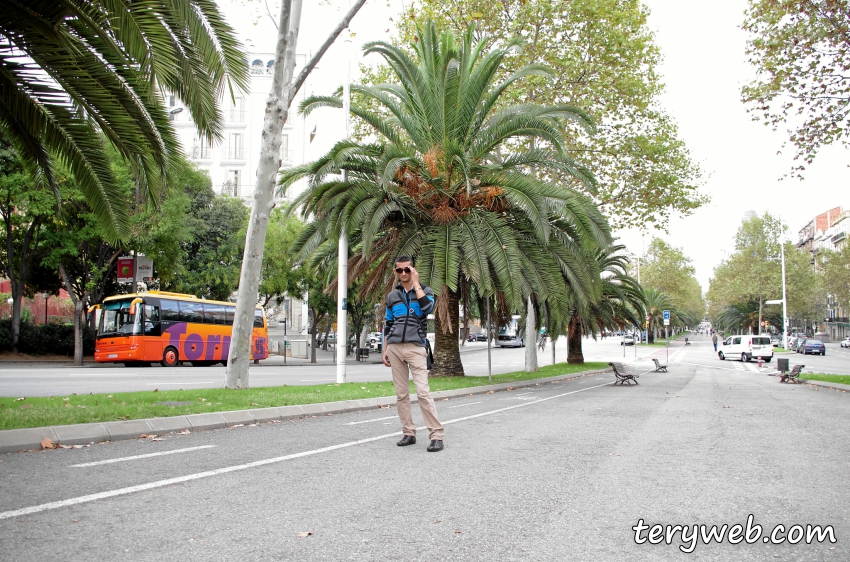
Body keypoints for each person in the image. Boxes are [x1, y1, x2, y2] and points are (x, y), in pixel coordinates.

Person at [382, 255, 445, 452]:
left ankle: (436, 435)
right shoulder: (392, 296)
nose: (403, 273)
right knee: (401, 395)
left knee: (422, 392)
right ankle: (408, 432)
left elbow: (427, 308)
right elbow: (388, 323)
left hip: (416, 347)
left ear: (413, 270)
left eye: (406, 270)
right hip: (394, 348)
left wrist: (416, 284)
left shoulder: (425, 291)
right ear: (395, 272)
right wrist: (385, 348)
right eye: (399, 270)